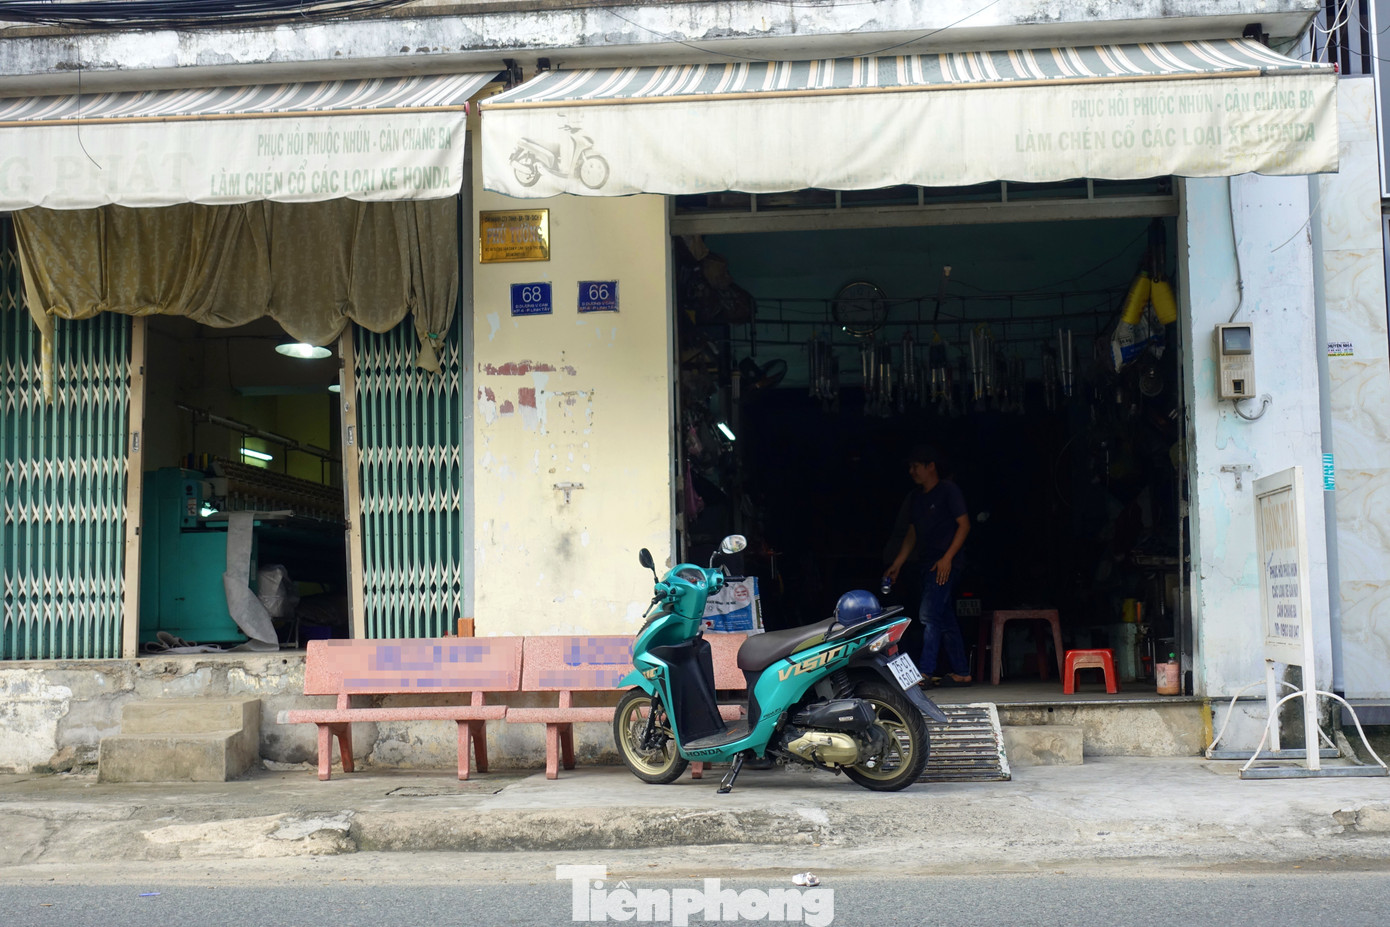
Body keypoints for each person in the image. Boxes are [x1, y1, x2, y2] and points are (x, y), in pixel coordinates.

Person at [884, 444, 972, 686]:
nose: (912, 471)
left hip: (945, 563)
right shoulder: (915, 498)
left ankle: (925, 671)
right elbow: (911, 534)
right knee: (944, 617)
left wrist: (947, 559)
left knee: (928, 615)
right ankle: (962, 671)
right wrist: (898, 563)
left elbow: (964, 525)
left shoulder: (948, 490)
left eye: (916, 466)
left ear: (931, 466)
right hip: (926, 562)